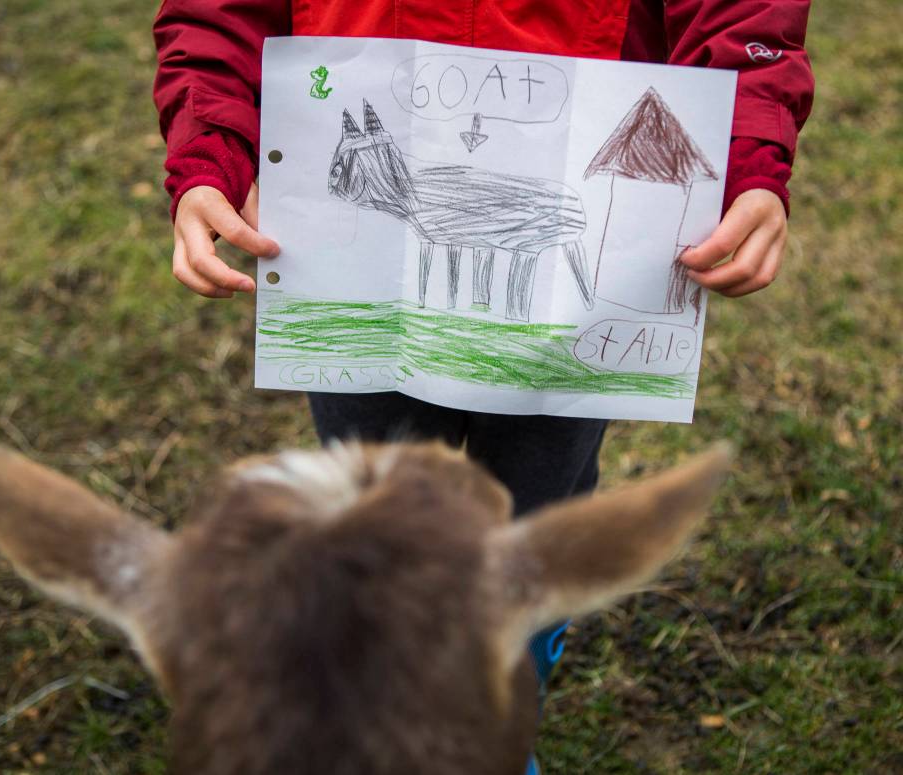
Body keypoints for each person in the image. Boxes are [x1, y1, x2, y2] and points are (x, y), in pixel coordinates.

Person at [152, 2, 813, 771]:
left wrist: (748, 155)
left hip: (570, 317)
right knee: (381, 532)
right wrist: (211, 152)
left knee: (530, 537)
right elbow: (215, 13)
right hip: (349, 267)